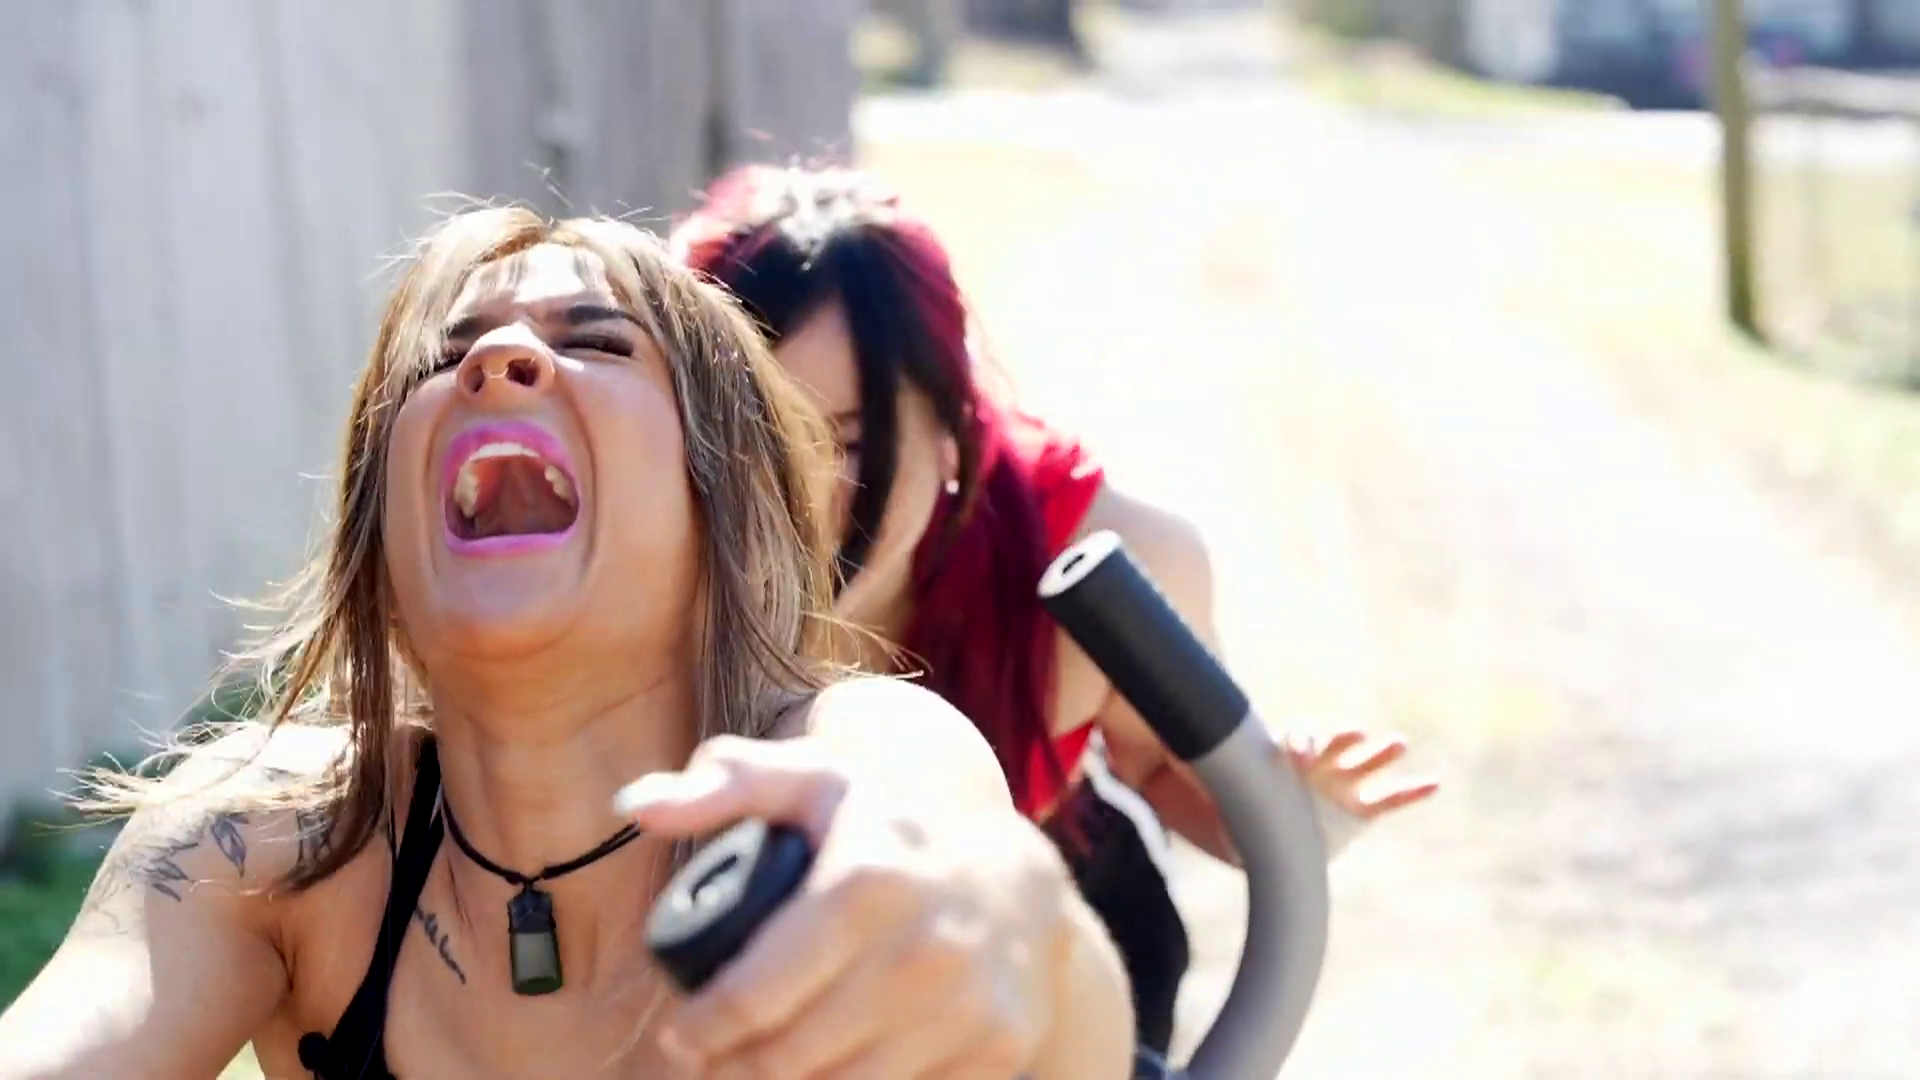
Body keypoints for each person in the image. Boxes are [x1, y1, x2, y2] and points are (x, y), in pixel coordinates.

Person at [0, 208, 1136, 1080]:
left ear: (722, 501)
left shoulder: (844, 745)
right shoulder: (271, 839)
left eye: (595, 341)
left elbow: (965, 869)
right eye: (442, 359)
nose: (498, 359)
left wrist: (1029, 942)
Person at [671, 164, 1441, 1053]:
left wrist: (1282, 818)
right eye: (762, 435)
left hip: (1049, 939)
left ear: (952, 428)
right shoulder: (640, 546)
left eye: (849, 441)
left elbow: (1160, 771)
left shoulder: (1103, 566)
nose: (802, 491)